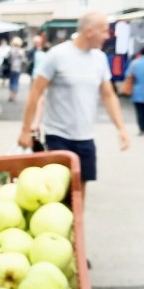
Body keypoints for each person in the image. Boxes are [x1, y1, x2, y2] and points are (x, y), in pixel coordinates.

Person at [18, 10, 130, 196]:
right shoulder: (57, 55)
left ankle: (78, 225)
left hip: (85, 137)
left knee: (79, 190)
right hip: (58, 136)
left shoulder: (100, 59)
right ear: (89, 31)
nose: (108, 36)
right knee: (57, 191)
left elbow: (108, 95)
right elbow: (36, 92)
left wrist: (121, 129)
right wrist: (25, 130)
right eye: (104, 31)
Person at [6, 36, 27, 102]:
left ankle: (11, 95)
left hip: (11, 68)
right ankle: (14, 96)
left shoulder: (11, 50)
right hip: (18, 68)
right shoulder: (21, 51)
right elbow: (24, 60)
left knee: (11, 82)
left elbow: (7, 58)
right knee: (16, 82)